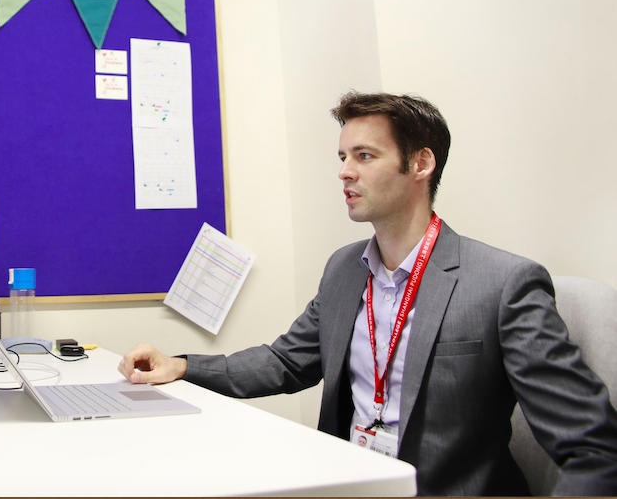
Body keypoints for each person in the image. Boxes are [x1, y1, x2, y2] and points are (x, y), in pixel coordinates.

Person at [119, 92, 617, 496]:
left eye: (364, 156)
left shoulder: (503, 282)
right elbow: (287, 363)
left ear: (420, 163)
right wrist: (182, 367)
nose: (344, 172)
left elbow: (593, 448)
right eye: (341, 157)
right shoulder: (344, 269)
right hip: (349, 484)